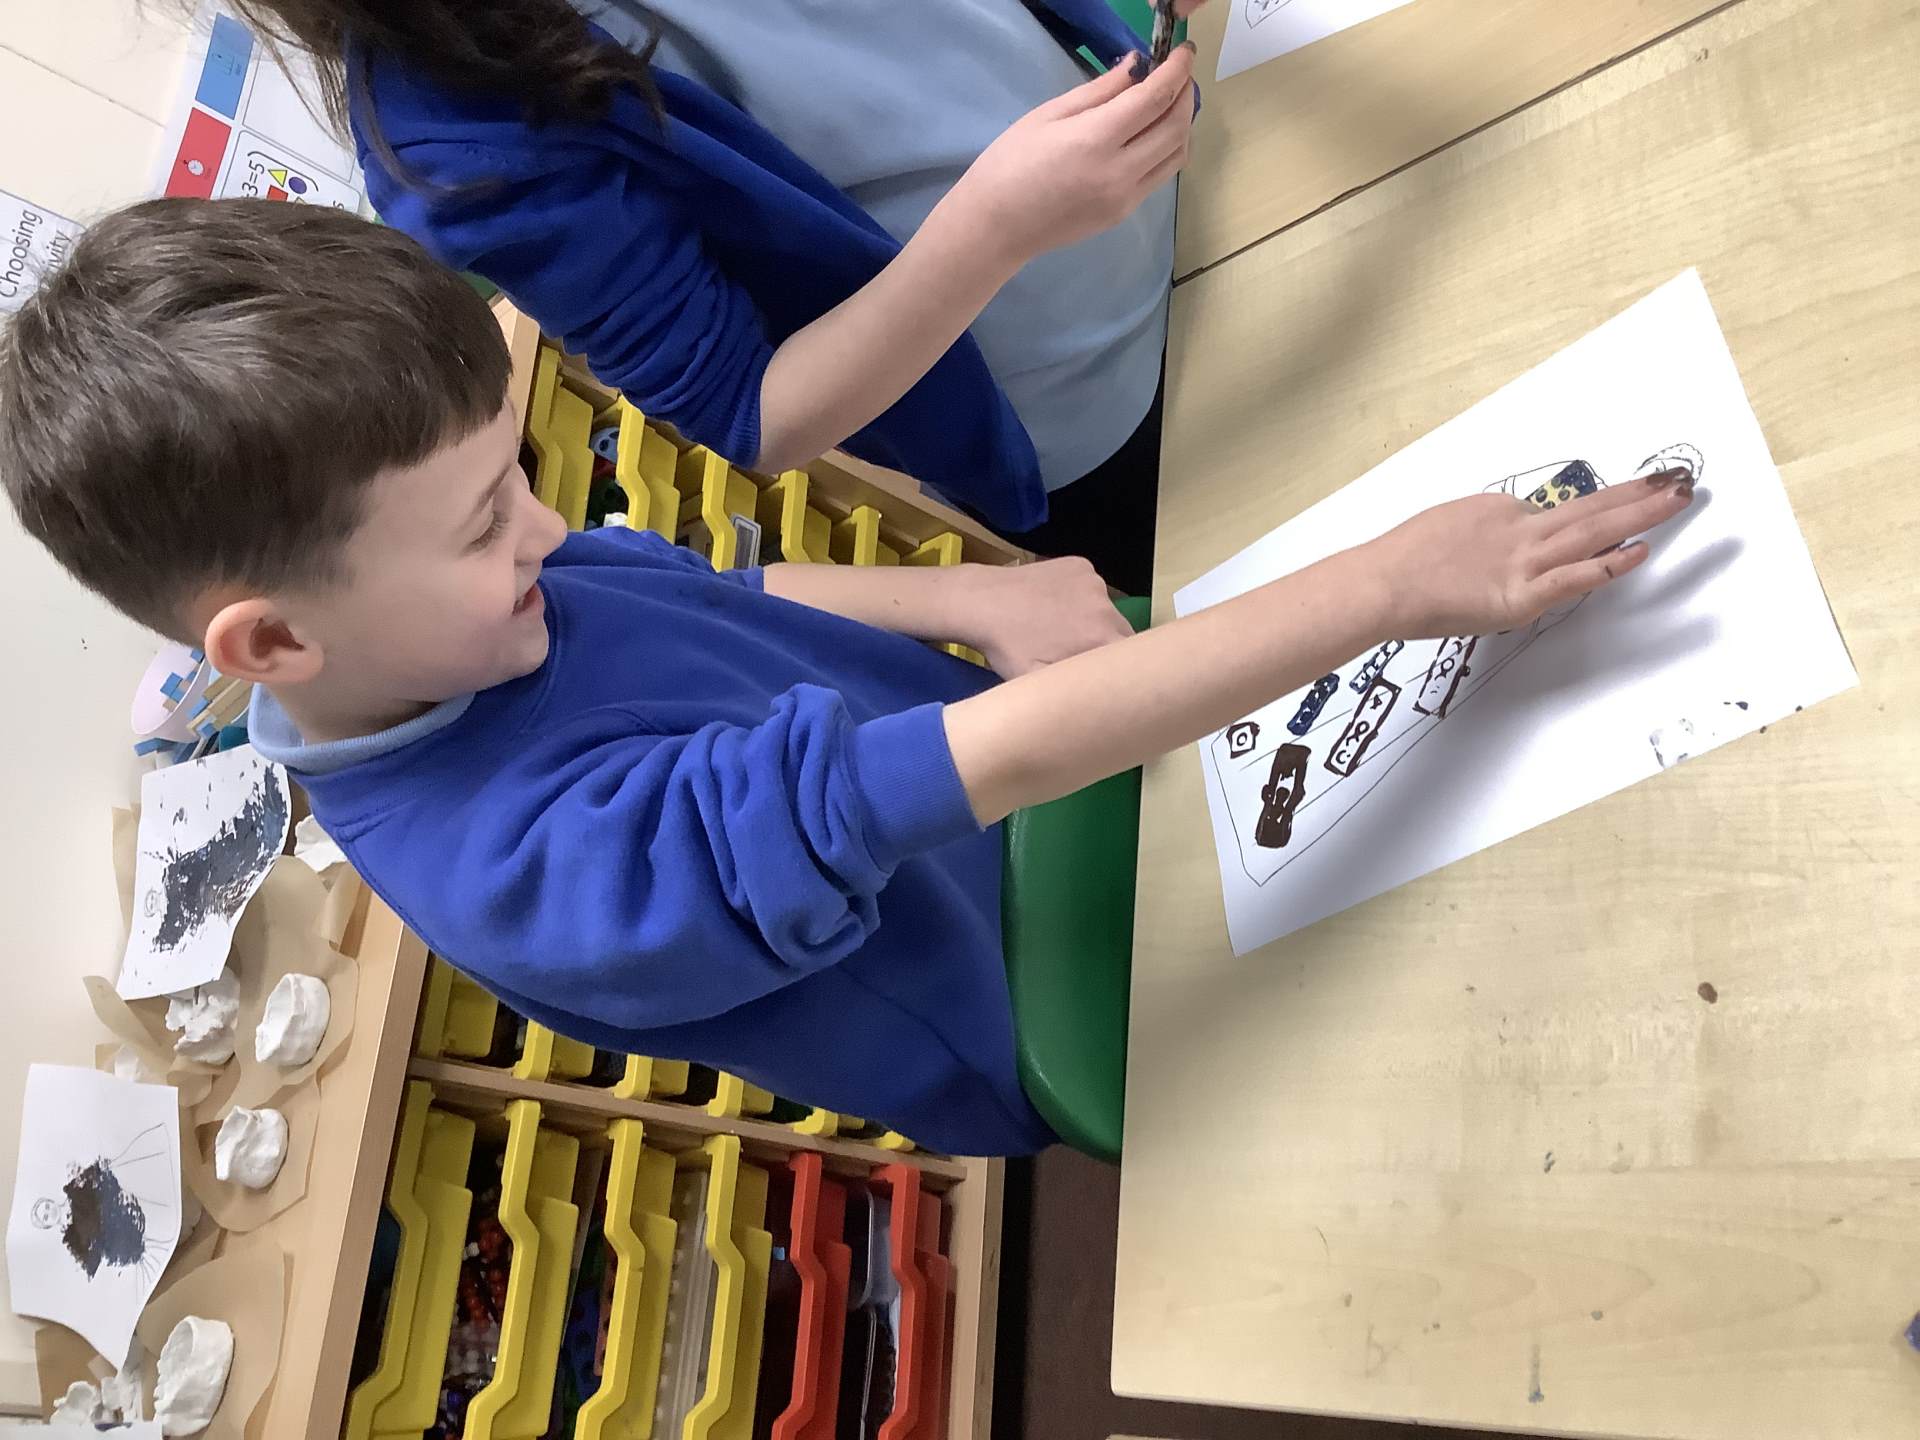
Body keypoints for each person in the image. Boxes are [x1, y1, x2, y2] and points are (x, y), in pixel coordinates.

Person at [0, 202, 1695, 1154]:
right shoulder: (527, 870)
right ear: (275, 646)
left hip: (1025, 763)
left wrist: (972, 594)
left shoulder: (469, 601)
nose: (543, 528)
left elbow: (699, 587)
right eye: (482, 520)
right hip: (1036, 979)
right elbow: (938, 780)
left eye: (515, 475)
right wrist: (1391, 585)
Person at [213, 0, 1209, 593]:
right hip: (1095, 409)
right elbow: (756, 412)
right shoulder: (453, 131)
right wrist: (993, 228)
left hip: (1190, 164)